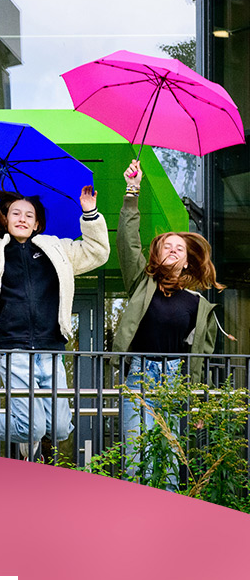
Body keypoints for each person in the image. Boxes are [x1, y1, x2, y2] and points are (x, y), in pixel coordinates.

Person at [0, 186, 109, 458]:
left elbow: (97, 253)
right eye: (15, 213)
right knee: (31, 428)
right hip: (13, 348)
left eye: (29, 215)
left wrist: (90, 212)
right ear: (5, 219)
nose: (22, 218)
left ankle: (21, 430)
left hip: (51, 350)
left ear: (37, 223)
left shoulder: (56, 248)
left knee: (60, 429)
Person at [114, 158, 222, 486]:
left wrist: (197, 400)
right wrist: (132, 190)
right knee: (136, 459)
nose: (173, 250)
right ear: (156, 256)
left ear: (187, 259)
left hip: (175, 382)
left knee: (170, 460)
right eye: (166, 246)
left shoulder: (198, 305)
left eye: (180, 248)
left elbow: (200, 358)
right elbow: (127, 241)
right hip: (140, 378)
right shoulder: (141, 284)